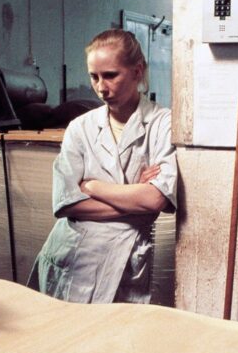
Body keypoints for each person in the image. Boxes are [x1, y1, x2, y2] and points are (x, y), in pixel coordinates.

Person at [28, 29, 177, 304]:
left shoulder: (162, 123)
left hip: (125, 257)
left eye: (110, 75)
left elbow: (155, 199)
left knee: (118, 341)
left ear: (137, 71)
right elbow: (65, 204)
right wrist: (134, 200)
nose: (100, 87)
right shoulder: (80, 127)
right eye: (93, 77)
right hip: (74, 254)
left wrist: (93, 187)